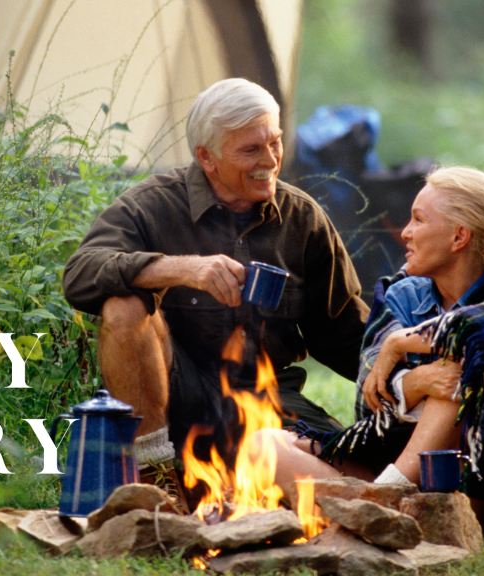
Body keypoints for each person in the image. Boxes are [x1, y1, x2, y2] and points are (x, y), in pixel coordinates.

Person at [61, 78, 370, 502]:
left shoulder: (302, 219)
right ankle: (155, 479)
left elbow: (349, 335)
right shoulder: (152, 205)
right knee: (124, 305)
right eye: (251, 150)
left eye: (275, 143)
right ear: (206, 157)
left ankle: (234, 481)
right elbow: (80, 274)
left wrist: (408, 375)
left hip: (269, 401)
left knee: (353, 477)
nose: (270, 161)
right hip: (176, 405)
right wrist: (178, 269)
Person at [264, 166, 484, 540]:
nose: (405, 232)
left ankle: (378, 504)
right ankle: (376, 512)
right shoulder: (403, 294)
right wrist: (415, 381)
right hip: (404, 471)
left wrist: (400, 344)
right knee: (265, 445)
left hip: (482, 490)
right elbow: (369, 399)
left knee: (459, 368)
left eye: (418, 220)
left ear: (459, 236)